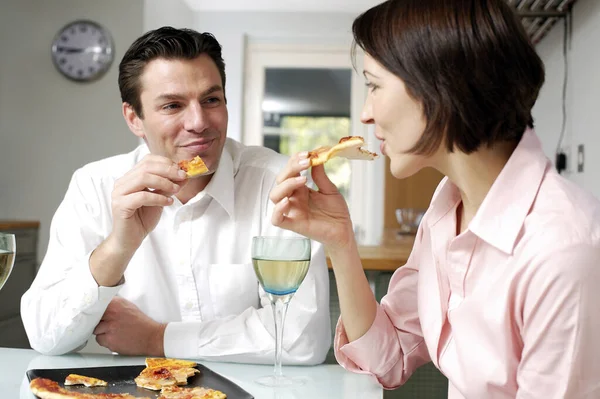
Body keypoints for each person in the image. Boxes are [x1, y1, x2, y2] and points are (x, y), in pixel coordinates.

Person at [270, 0, 600, 397]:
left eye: (374, 86)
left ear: (439, 86)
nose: (365, 114)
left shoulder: (563, 253)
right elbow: (386, 358)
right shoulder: (447, 209)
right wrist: (340, 242)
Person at [21, 27, 331, 364]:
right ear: (134, 118)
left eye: (211, 100)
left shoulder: (277, 183)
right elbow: (45, 335)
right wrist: (118, 246)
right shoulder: (94, 185)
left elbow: (303, 338)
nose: (199, 122)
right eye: (172, 105)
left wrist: (158, 338)